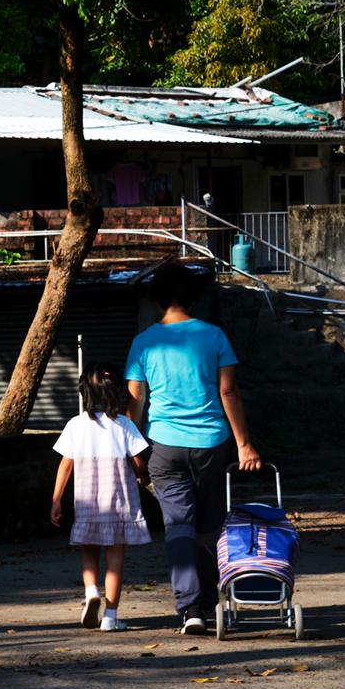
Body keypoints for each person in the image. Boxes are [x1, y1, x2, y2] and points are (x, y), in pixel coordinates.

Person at [126, 260, 262, 636]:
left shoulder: (143, 342)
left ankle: (190, 610)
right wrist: (245, 446)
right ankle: (209, 601)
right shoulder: (214, 336)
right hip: (212, 444)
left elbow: (135, 402)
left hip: (164, 446)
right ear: (192, 298)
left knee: (178, 527)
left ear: (156, 299)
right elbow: (228, 392)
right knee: (209, 526)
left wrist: (132, 451)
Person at [50, 366, 152, 631]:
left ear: (85, 392)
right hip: (118, 502)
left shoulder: (75, 425)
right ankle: (110, 617)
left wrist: (56, 500)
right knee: (115, 558)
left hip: (87, 502)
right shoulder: (124, 424)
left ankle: (91, 591)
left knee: (89, 551)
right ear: (115, 392)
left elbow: (66, 465)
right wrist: (143, 474)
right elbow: (138, 461)